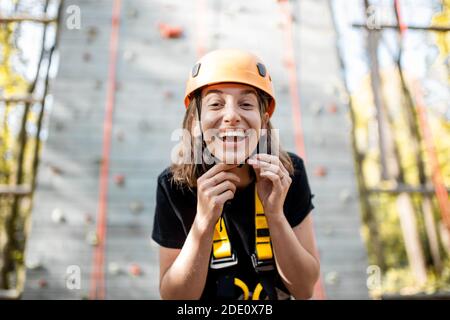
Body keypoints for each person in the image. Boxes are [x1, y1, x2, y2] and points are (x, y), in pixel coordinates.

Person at [152, 49, 320, 300]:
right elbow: (175, 298)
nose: (231, 116)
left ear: (263, 121)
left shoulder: (288, 174)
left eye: (246, 104)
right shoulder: (174, 185)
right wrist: (204, 222)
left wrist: (275, 214)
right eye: (216, 104)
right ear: (196, 121)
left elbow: (304, 289)